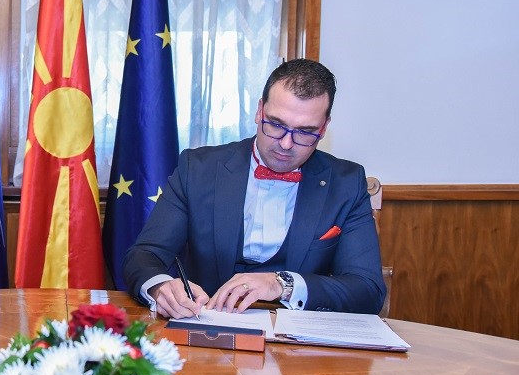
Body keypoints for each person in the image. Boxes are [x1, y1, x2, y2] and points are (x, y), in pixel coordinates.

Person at [123, 58, 385, 318]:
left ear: (324, 128)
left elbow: (368, 289)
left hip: (298, 336)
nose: (286, 144)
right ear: (260, 111)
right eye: (276, 124)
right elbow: (144, 255)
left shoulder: (346, 183)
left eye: (305, 132)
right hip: (207, 325)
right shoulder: (198, 169)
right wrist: (160, 287)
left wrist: (283, 284)